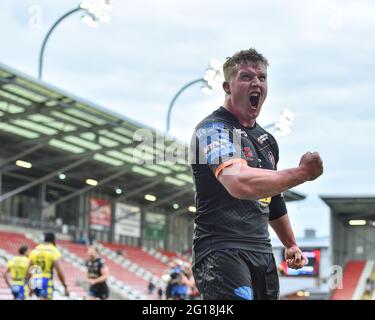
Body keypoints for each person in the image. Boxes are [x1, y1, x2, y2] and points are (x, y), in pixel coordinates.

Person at [190, 48, 323, 300]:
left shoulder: (267, 140)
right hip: (222, 249)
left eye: (261, 77)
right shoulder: (212, 129)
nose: (256, 83)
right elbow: (239, 183)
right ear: (227, 87)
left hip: (261, 251)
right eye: (246, 77)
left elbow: (273, 198)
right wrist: (301, 173)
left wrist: (291, 243)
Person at [29, 232, 69, 300]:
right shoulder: (53, 250)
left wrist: (29, 285)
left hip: (35, 280)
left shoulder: (35, 249)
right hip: (46, 280)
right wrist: (64, 286)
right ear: (53, 240)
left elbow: (29, 269)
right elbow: (59, 271)